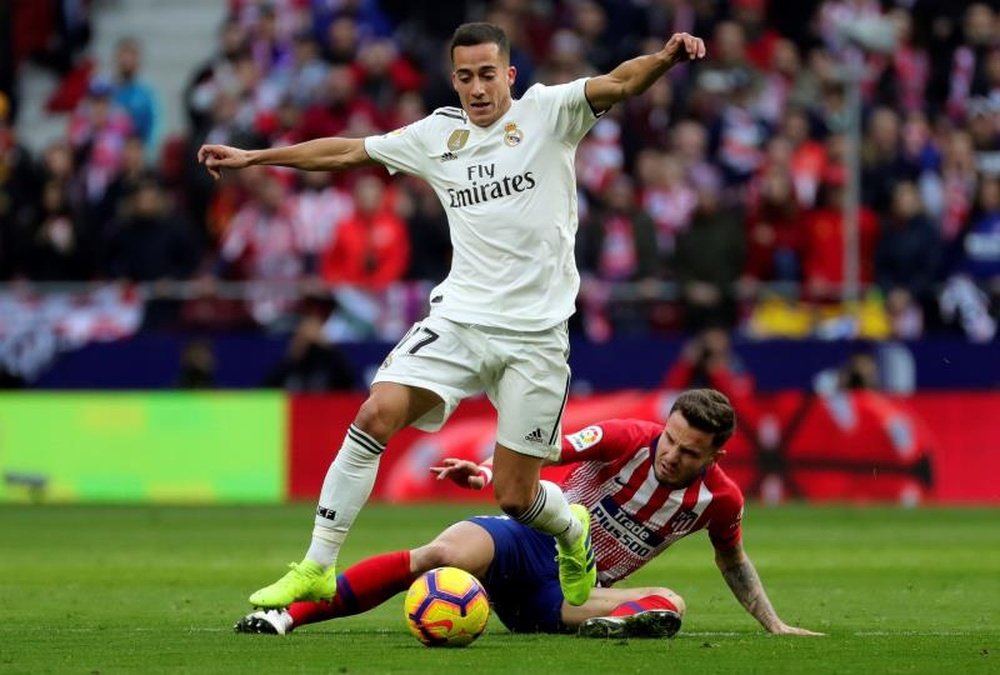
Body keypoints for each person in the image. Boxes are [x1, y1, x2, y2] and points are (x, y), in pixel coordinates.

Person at [199, 22, 707, 611]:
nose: (476, 88)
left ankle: (572, 529)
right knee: (376, 412)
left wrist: (667, 59)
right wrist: (257, 157)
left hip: (536, 339)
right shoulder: (438, 134)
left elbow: (620, 82)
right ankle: (317, 564)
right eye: (464, 76)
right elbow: (346, 150)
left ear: (509, 75)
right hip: (461, 320)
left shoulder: (549, 112)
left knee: (516, 497)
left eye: (487, 74)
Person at [234, 390, 822, 639]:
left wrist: (773, 624)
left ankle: (602, 625)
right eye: (670, 439)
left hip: (566, 594)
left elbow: (733, 561)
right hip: (526, 541)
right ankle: (288, 619)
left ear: (715, 454)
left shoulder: (720, 501)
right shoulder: (628, 438)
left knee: (673, 601)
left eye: (688, 451)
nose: (671, 454)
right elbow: (542, 447)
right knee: (439, 555)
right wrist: (490, 472)